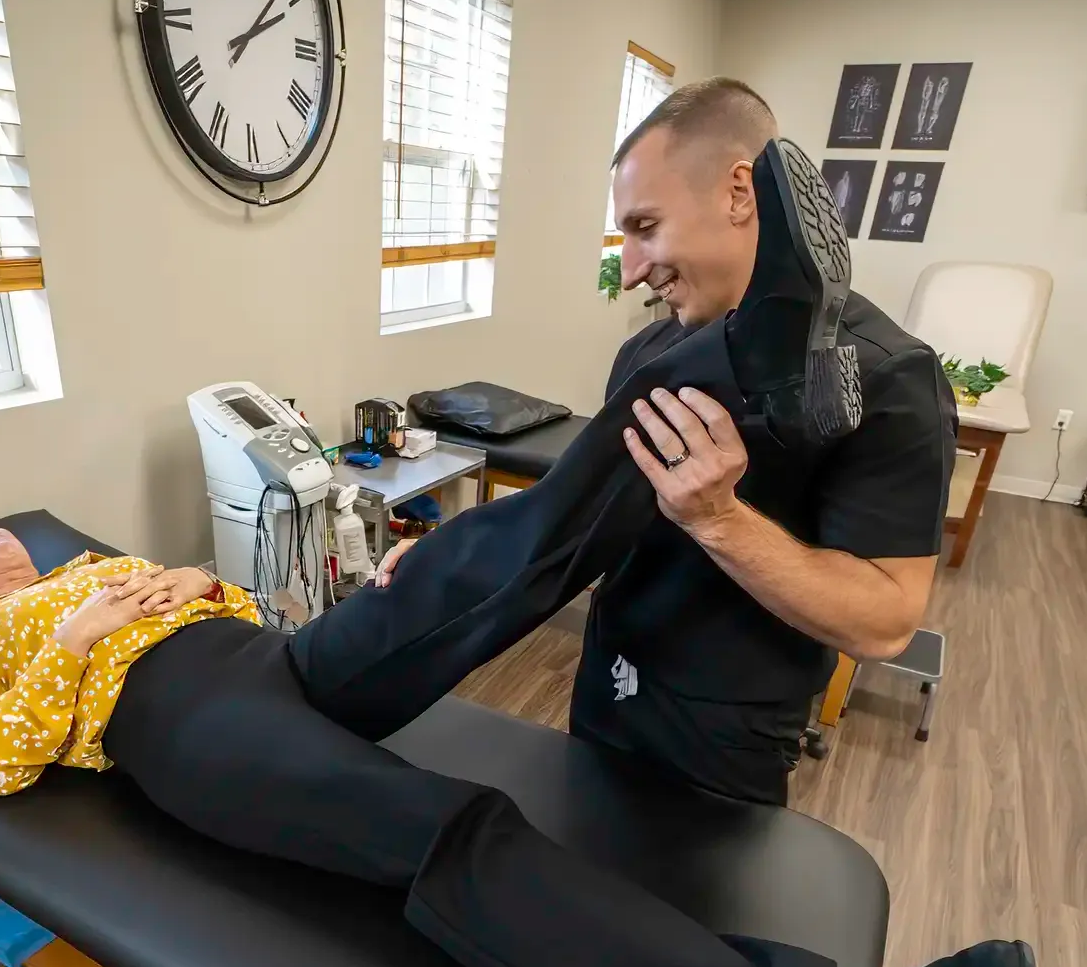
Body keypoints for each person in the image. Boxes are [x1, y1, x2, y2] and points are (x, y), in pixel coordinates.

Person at [0, 276, 1037, 967]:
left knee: (468, 570)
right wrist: (88, 635)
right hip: (179, 722)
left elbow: (226, 607)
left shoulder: (83, 568)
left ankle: (730, 364)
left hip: (260, 663)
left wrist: (195, 586)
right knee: (453, 826)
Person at [377, 79, 953, 804]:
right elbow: (581, 516)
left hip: (722, 735)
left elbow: (885, 623)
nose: (632, 270)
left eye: (646, 226)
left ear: (739, 193)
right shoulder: (653, 352)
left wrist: (721, 520)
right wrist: (442, 563)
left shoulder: (891, 377)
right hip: (604, 684)